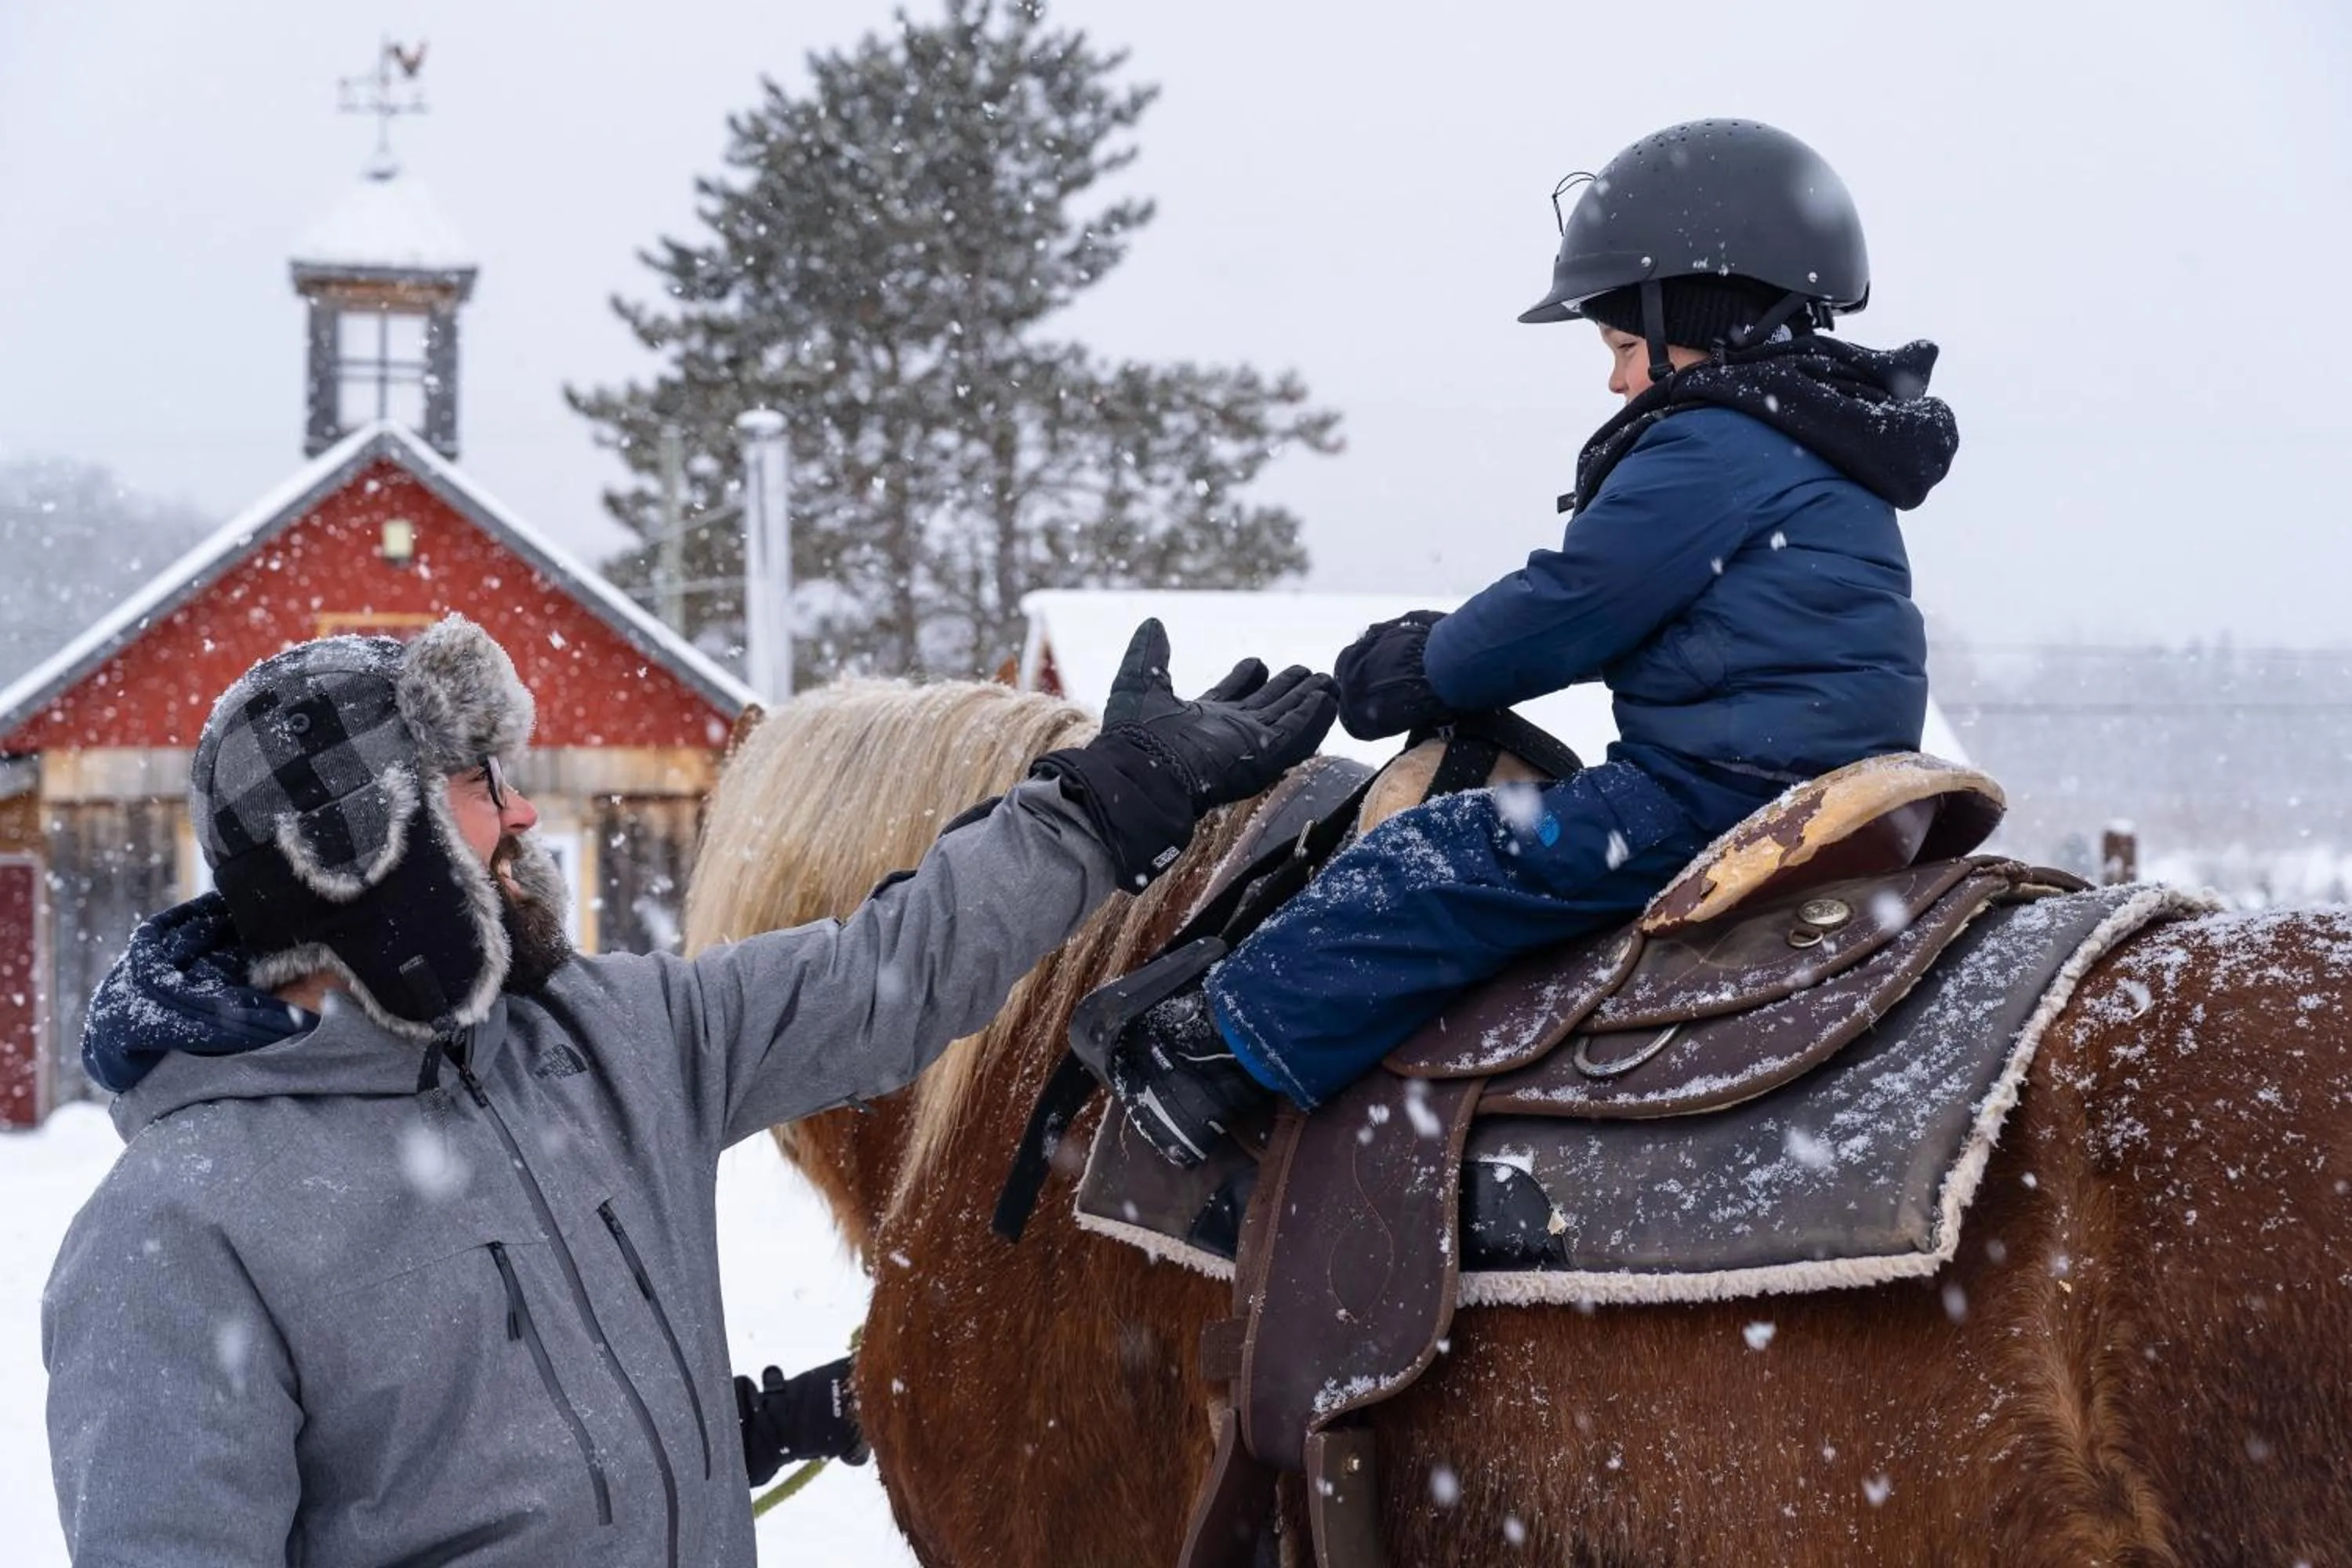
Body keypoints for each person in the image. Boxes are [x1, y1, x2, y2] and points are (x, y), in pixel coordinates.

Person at [42, 613, 1334, 1565]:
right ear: (365, 850)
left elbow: (889, 973)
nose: (524, 818)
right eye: (481, 786)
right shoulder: (175, 1233)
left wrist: (1098, 811)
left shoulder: (599, 1040)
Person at [1104, 118, 1960, 1167]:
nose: (1613, 382)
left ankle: (1226, 1055)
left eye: (1619, 346)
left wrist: (1424, 666)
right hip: (1816, 771)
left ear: (1688, 314)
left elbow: (1577, 602)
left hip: (1716, 790)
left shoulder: (1715, 441)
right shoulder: (1815, 446)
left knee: (1440, 855)